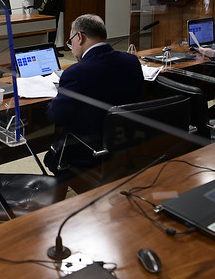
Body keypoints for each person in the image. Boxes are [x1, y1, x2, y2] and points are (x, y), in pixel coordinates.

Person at [44, 14, 143, 175]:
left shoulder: (75, 73)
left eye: (70, 42)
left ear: (79, 37)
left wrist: (55, 99)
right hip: (125, 145)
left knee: (50, 156)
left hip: (88, 153)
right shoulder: (131, 61)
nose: (72, 48)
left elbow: (55, 117)